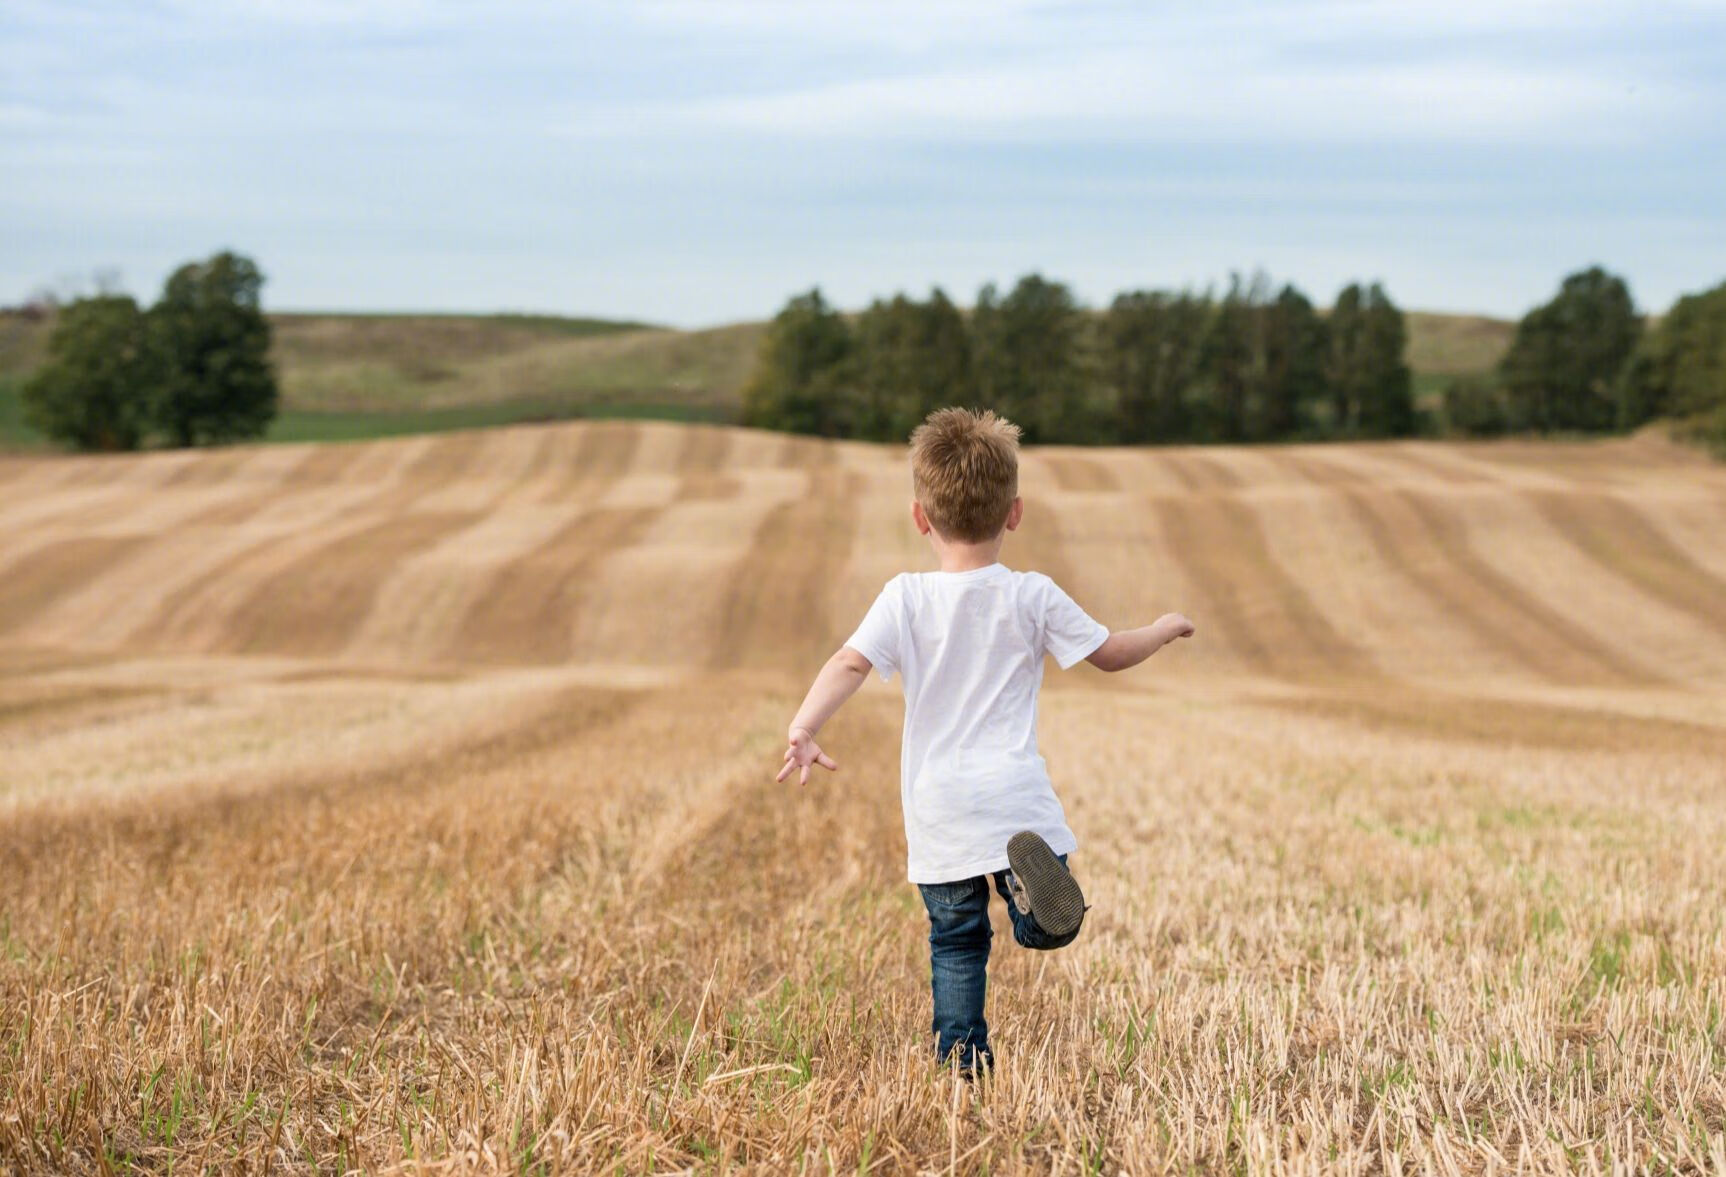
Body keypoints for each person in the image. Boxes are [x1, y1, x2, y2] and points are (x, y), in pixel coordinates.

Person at [775, 406, 1195, 1077]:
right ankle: (1036, 912)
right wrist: (1165, 626)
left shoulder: (905, 597)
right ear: (1015, 512)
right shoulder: (1031, 594)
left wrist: (804, 725)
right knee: (1037, 914)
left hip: (940, 806)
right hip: (1013, 797)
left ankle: (963, 1060)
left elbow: (849, 662)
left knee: (958, 942)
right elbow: (1112, 653)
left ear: (921, 517)